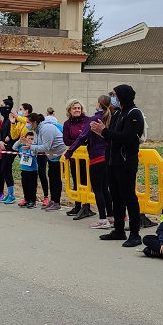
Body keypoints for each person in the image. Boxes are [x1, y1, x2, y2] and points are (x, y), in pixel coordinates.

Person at [92, 84, 145, 247]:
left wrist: (105, 131)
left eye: (114, 94)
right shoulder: (118, 113)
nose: (112, 97)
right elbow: (112, 137)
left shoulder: (134, 113)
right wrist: (102, 132)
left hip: (125, 163)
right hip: (112, 162)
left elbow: (127, 137)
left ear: (122, 96)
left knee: (129, 197)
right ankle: (119, 230)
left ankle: (135, 234)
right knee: (116, 197)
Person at [67, 95, 113, 230]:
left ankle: (103, 219)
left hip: (97, 157)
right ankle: (111, 216)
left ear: (98, 104)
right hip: (108, 156)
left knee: (98, 189)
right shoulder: (110, 117)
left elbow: (82, 137)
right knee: (105, 189)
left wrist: (70, 152)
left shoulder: (94, 119)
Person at [28, 112, 66, 211]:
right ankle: (53, 200)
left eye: (28, 122)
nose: (27, 125)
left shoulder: (46, 129)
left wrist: (31, 147)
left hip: (59, 156)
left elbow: (45, 146)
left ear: (34, 122)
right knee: (52, 178)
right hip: (52, 156)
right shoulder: (37, 130)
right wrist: (31, 144)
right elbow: (37, 144)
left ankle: (57, 202)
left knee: (56, 179)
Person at [62, 99, 93, 220]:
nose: (77, 110)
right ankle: (77, 205)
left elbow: (90, 137)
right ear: (70, 110)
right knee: (76, 180)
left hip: (87, 156)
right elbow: (66, 140)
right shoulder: (67, 124)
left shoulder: (88, 120)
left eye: (79, 108)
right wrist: (79, 142)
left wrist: (78, 142)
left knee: (86, 181)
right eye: (74, 108)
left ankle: (86, 206)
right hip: (74, 157)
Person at [13, 130, 40, 208]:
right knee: (25, 185)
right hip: (24, 169)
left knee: (32, 186)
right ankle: (27, 199)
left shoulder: (34, 148)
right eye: (28, 138)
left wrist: (31, 145)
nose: (30, 140)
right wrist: (20, 141)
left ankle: (33, 201)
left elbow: (34, 153)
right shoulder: (22, 147)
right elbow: (14, 147)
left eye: (32, 139)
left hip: (33, 170)